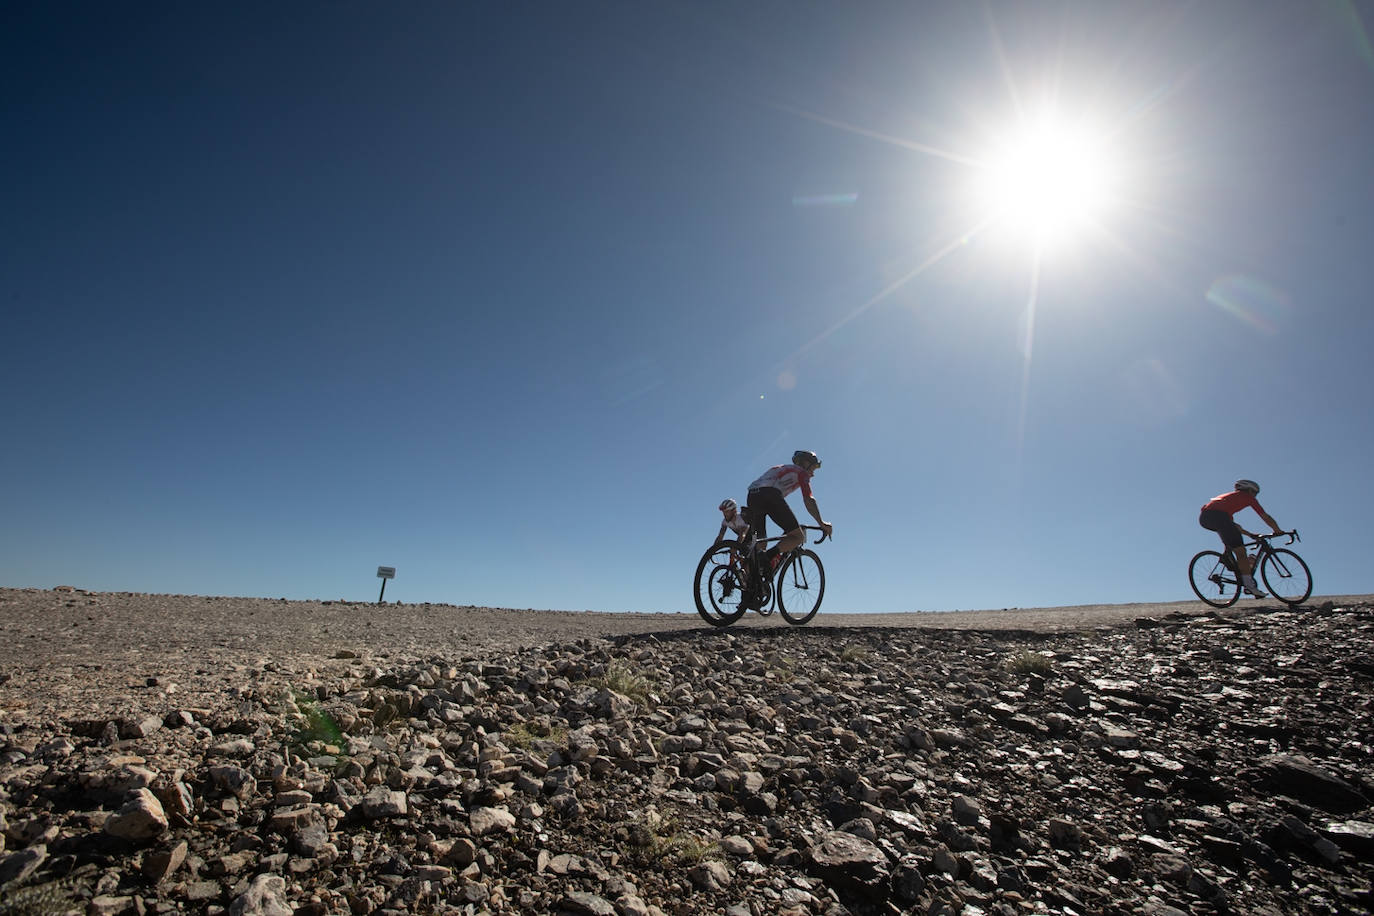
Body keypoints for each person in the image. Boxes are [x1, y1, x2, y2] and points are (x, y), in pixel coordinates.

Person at [745, 450, 834, 578]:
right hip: (770, 495)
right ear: (805, 464)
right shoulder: (801, 472)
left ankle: (749, 585)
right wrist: (821, 523)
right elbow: (809, 500)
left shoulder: (785, 469)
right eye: (813, 469)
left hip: (753, 496)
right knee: (798, 537)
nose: (813, 474)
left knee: (760, 544)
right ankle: (767, 557)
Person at [1199, 479, 1284, 598]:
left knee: (1232, 537)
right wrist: (1277, 530)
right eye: (1255, 493)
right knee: (1241, 552)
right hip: (1219, 517)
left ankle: (1228, 558)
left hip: (1207, 517)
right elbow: (1264, 516)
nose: (1255, 496)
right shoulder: (1247, 497)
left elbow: (1235, 527)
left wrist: (1250, 535)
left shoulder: (1230, 499)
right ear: (1250, 490)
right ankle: (1250, 586)